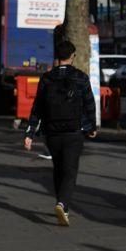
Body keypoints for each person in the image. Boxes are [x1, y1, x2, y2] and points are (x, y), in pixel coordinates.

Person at [23, 41, 97, 227]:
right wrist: (92, 127)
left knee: (58, 168)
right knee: (70, 171)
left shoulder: (47, 78)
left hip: (52, 132)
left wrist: (30, 133)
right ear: (72, 56)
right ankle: (62, 204)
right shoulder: (81, 77)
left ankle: (61, 204)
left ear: (57, 57)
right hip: (74, 132)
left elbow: (37, 107)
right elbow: (89, 103)